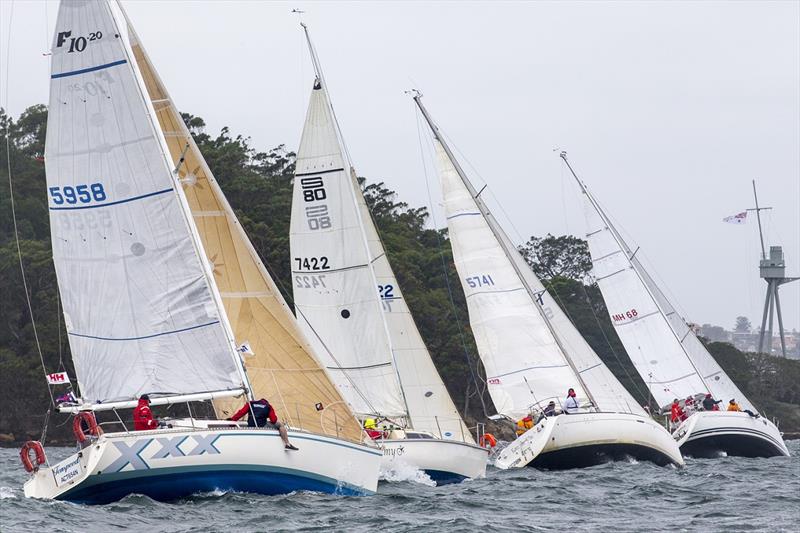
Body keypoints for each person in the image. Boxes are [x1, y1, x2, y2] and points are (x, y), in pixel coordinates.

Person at [229, 398, 299, 451]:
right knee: (280, 425)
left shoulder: (251, 403)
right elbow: (273, 420)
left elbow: (241, 413)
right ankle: (287, 444)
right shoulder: (268, 406)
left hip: (250, 426)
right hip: (262, 426)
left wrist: (232, 422)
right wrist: (267, 415)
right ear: (266, 402)